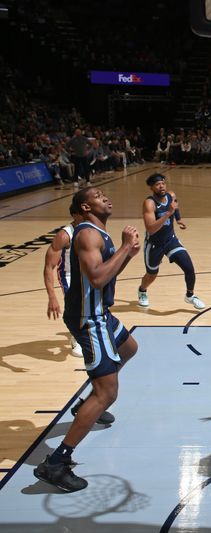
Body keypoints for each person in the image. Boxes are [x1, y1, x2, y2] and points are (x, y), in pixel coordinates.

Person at [34, 187, 140, 492]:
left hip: (100, 313)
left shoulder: (97, 233)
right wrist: (124, 247)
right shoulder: (86, 235)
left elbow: (106, 272)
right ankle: (56, 463)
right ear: (85, 205)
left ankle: (87, 404)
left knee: (129, 347)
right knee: (108, 393)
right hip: (89, 318)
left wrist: (128, 254)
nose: (105, 196)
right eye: (97, 194)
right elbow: (96, 277)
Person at [137, 173, 206, 309]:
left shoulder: (171, 195)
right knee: (151, 275)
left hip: (170, 240)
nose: (161, 186)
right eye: (157, 184)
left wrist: (178, 218)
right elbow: (151, 229)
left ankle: (190, 295)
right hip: (154, 244)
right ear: (152, 188)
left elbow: (175, 206)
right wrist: (168, 214)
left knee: (189, 268)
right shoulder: (149, 203)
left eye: (163, 183)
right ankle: (142, 290)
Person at [44, 205, 84, 358]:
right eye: (83, 213)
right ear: (75, 215)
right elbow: (48, 266)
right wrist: (52, 297)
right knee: (76, 306)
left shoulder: (92, 228)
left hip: (88, 273)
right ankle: (76, 337)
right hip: (69, 276)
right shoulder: (64, 235)